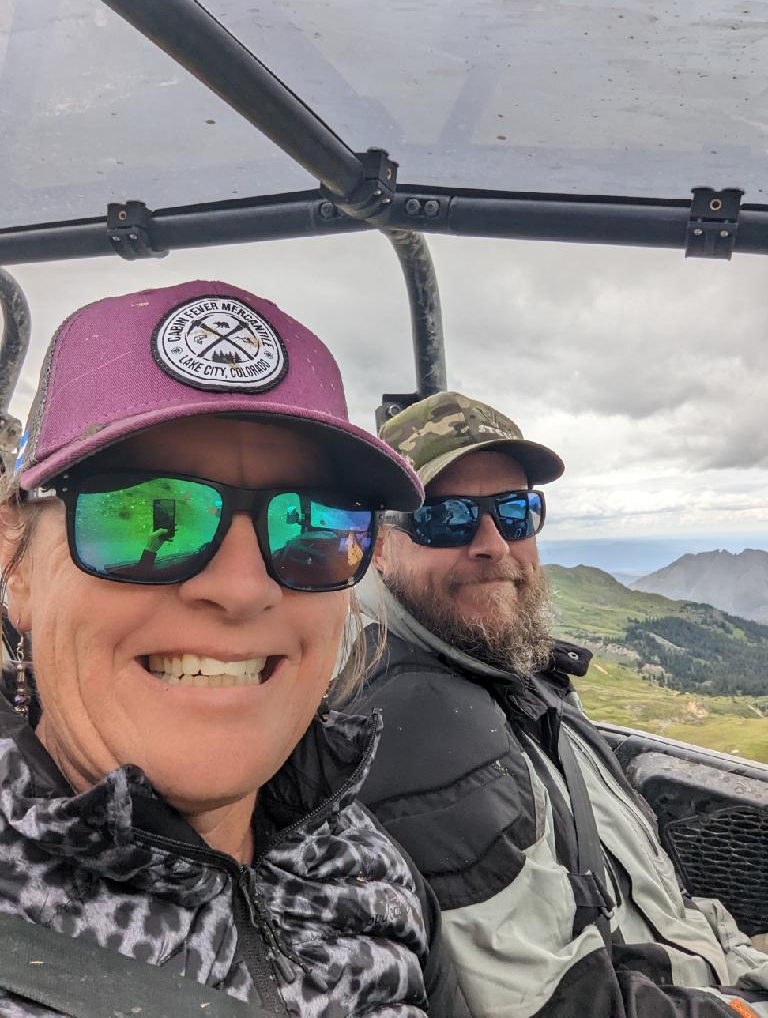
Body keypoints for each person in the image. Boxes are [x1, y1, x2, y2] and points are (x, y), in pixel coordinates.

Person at [0, 282, 468, 1018]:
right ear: (16, 558)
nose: (243, 587)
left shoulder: (367, 868)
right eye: (152, 513)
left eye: (314, 525)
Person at [348, 390, 768, 1018]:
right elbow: (562, 1006)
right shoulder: (421, 734)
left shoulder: (498, 668)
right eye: (446, 517)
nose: (494, 543)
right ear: (380, 544)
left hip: (710, 963)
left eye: (516, 512)